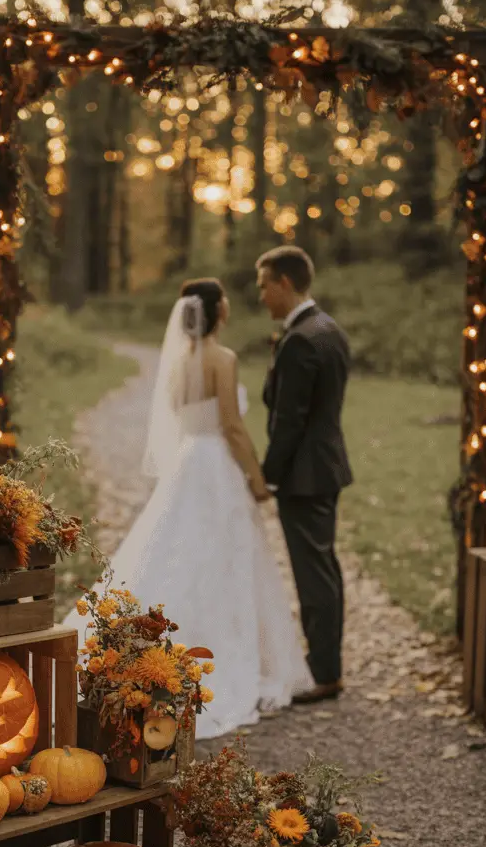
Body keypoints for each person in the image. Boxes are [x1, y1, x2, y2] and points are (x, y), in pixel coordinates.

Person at [64, 277, 312, 738]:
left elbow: (183, 421)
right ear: (218, 312)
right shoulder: (224, 359)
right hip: (216, 461)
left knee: (175, 547)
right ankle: (230, 653)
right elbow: (233, 428)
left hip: (189, 462)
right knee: (226, 556)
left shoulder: (178, 364)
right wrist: (257, 481)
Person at [257, 245, 352, 703]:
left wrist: (267, 476)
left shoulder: (300, 339)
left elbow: (290, 421)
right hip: (327, 467)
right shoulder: (329, 329)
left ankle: (324, 672)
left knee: (314, 575)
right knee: (325, 568)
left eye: (264, 285)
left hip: (304, 475)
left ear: (285, 284)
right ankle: (326, 665)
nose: (261, 296)